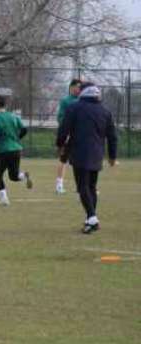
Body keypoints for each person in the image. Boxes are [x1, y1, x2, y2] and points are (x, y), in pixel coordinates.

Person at [57, 82, 117, 234]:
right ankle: (90, 220)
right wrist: (112, 156)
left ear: (83, 92)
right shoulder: (105, 111)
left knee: (82, 186)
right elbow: (112, 136)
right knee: (91, 186)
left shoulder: (74, 108)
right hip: (97, 153)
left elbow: (64, 128)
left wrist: (60, 144)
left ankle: (92, 218)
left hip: (79, 151)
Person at [0, 95, 33, 206]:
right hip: (16, 150)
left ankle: (4, 199)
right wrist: (17, 139)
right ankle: (24, 176)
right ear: (6, 105)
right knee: (13, 176)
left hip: (3, 150)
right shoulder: (14, 116)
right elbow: (24, 130)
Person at [55, 79, 82, 194]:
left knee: (82, 160)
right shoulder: (66, 101)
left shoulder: (83, 101)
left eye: (81, 87)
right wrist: (66, 131)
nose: (80, 89)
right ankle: (59, 185)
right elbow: (60, 117)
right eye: (78, 87)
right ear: (72, 87)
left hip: (81, 135)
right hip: (68, 135)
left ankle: (83, 186)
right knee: (63, 159)